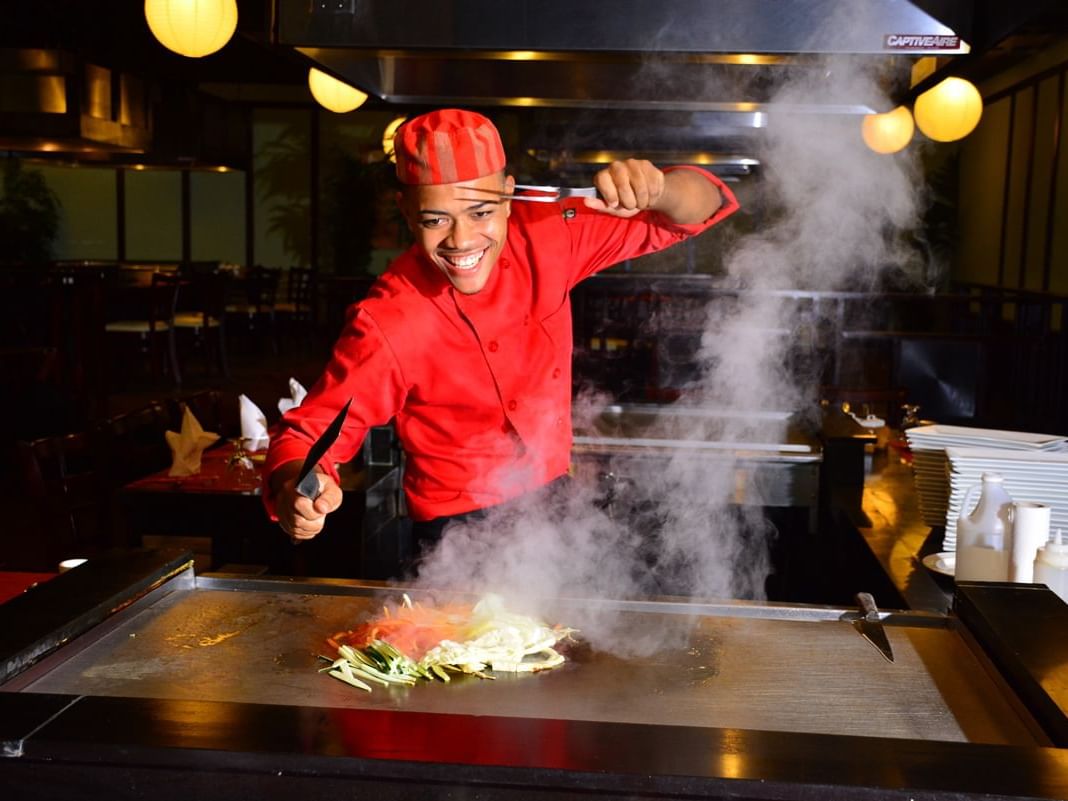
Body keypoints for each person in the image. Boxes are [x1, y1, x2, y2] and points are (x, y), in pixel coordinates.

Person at [265, 108, 739, 566]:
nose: (461, 240)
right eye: (435, 219)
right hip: (455, 531)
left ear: (510, 195)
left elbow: (703, 207)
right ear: (406, 212)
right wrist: (298, 491)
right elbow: (311, 433)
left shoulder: (552, 234)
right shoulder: (391, 318)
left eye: (480, 212)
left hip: (554, 499)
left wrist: (660, 189)